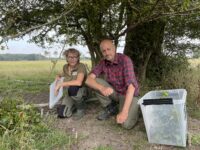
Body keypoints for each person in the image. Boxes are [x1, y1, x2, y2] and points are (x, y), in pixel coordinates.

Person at [85, 39, 139, 129]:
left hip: (129, 94)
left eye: (108, 49)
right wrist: (101, 88)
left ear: (114, 49)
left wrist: (124, 112)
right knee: (96, 82)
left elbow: (131, 87)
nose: (106, 53)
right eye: (103, 51)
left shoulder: (125, 60)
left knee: (126, 124)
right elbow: (88, 79)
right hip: (116, 93)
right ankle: (111, 107)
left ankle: (136, 108)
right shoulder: (103, 62)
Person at [54, 48, 87, 120]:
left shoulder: (81, 66)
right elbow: (62, 74)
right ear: (66, 57)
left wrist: (60, 84)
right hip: (70, 93)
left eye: (75, 57)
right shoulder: (65, 67)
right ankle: (74, 105)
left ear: (78, 58)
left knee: (73, 88)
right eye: (70, 57)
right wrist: (58, 76)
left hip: (81, 90)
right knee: (62, 113)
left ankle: (80, 109)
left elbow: (78, 82)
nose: (73, 59)